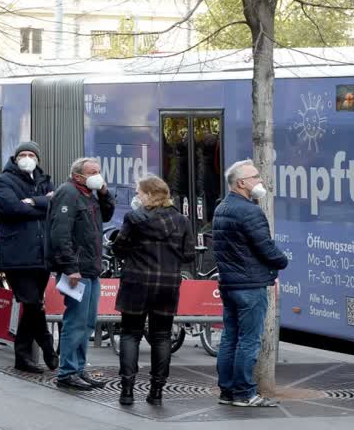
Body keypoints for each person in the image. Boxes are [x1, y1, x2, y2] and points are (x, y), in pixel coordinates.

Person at [112, 175, 195, 406]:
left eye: (139, 193)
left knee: (130, 334)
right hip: (167, 285)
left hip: (136, 283)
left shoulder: (134, 218)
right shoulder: (182, 221)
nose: (137, 197)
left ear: (149, 195)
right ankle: (156, 391)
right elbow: (189, 255)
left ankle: (127, 391)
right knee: (162, 337)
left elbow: (119, 248)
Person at [213, 159, 288, 407]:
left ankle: (227, 391)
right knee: (248, 340)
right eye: (255, 177)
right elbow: (264, 247)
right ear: (242, 183)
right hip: (249, 284)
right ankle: (245, 393)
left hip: (229, 284)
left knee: (230, 337)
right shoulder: (250, 211)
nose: (260, 180)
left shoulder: (221, 208)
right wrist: (281, 261)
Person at [47, 157, 115, 390]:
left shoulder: (89, 195)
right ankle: (67, 373)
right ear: (78, 176)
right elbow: (60, 234)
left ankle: (78, 369)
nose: (98, 175)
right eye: (93, 172)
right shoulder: (68, 194)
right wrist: (70, 268)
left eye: (99, 170)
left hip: (90, 269)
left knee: (87, 323)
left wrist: (105, 193)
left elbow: (106, 216)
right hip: (76, 270)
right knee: (75, 322)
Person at [0, 141, 57, 373]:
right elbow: (11, 209)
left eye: (31, 154)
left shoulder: (45, 181)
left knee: (35, 305)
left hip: (42, 254)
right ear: (16, 158)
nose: (27, 158)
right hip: (17, 255)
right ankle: (46, 347)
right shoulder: (3, 181)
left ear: (37, 159)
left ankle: (25, 357)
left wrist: (33, 201)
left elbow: (55, 205)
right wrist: (43, 203)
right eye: (23, 154)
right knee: (30, 303)